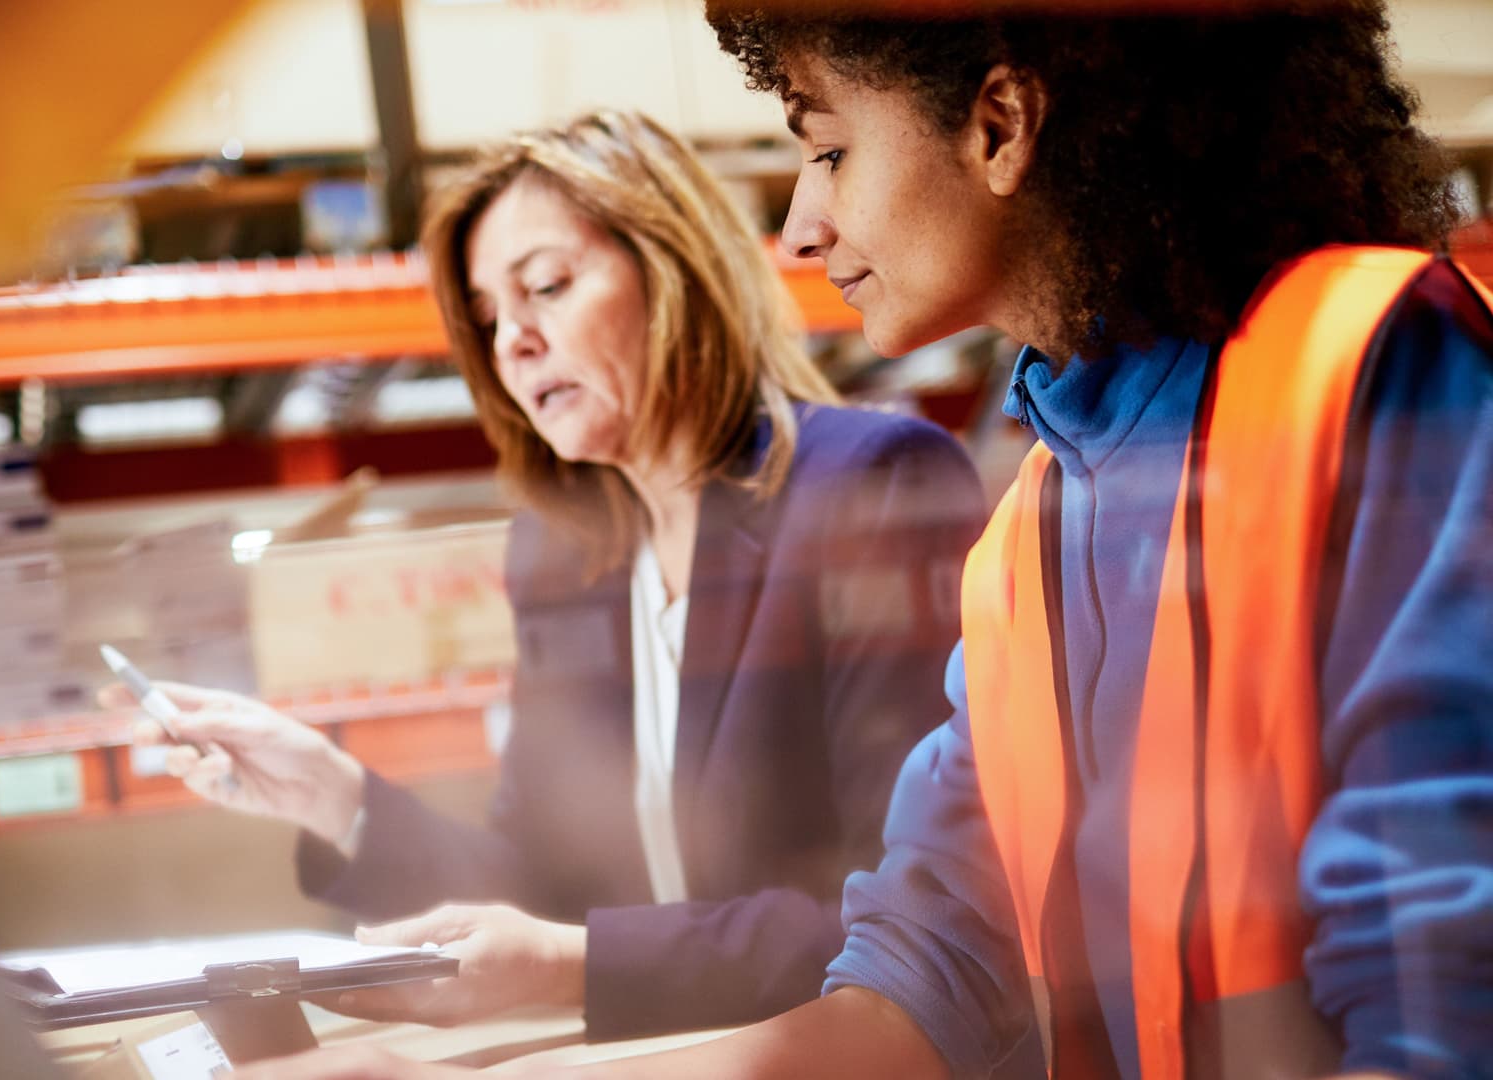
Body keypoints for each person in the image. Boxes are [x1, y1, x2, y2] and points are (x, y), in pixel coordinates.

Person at [234, 3, 1493, 1078]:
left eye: (828, 149)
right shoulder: (1036, 535)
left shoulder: (1384, 368)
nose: (799, 228)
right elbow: (913, 976)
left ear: (1000, 125)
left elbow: (1442, 991)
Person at [105, 110, 985, 1042]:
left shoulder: (869, 486)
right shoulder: (563, 560)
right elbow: (540, 886)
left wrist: (570, 964)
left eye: (548, 286)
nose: (512, 343)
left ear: (671, 270)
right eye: (489, 319)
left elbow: (906, 918)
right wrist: (334, 795)